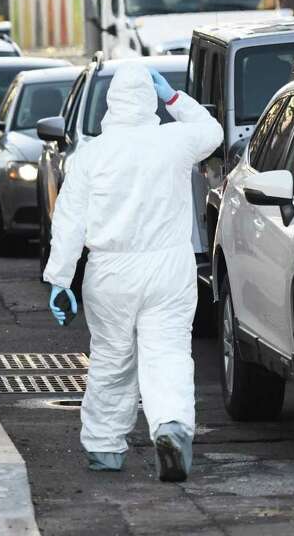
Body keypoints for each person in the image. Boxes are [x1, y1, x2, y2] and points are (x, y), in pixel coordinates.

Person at [43, 64, 221, 481]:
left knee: (111, 359)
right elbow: (211, 132)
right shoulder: (172, 141)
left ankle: (104, 447)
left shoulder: (92, 155)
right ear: (148, 100)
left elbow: (68, 222)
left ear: (110, 104)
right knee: (168, 353)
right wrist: (175, 99)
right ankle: (171, 426)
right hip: (169, 267)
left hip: (109, 271)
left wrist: (59, 281)